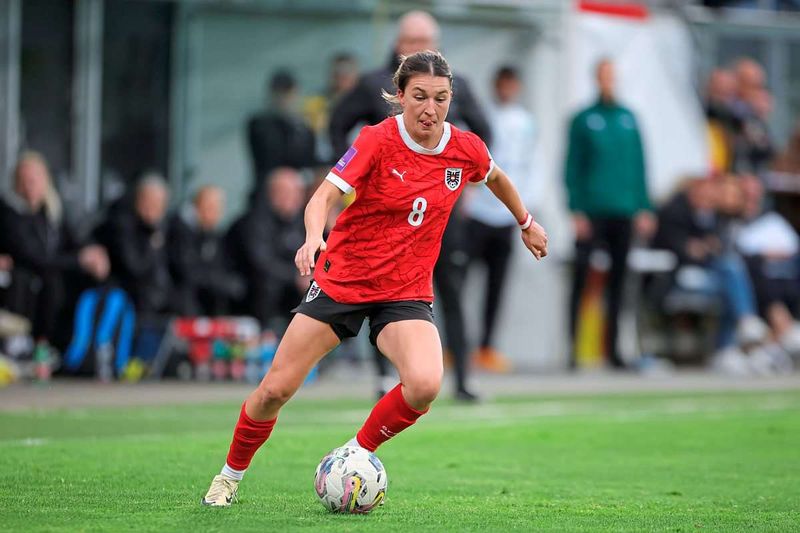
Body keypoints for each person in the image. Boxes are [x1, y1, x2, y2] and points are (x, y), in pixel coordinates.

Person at [200, 50, 548, 507]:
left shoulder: (465, 148)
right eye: (419, 96)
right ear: (400, 96)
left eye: (441, 99)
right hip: (343, 280)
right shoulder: (377, 140)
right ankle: (228, 477)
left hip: (404, 292)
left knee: (424, 384)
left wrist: (525, 222)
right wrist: (311, 238)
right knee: (275, 390)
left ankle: (356, 451)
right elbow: (322, 195)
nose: (430, 109)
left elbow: (496, 177)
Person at [330, 10, 491, 401]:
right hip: (386, 216)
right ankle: (385, 376)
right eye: (412, 42)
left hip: (439, 213)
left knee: (451, 288)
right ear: (398, 44)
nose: (419, 49)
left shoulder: (457, 85)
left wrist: (466, 184)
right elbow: (337, 123)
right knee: (382, 292)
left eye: (426, 42)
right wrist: (351, 177)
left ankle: (463, 377)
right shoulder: (374, 85)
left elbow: (484, 133)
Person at [565, 58, 656, 370]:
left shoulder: (629, 118)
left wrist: (644, 206)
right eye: (603, 76)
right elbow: (571, 167)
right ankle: (573, 350)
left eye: (611, 76)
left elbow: (640, 165)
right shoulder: (583, 119)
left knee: (620, 283)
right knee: (581, 278)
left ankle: (615, 350)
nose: (608, 81)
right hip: (592, 211)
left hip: (623, 211)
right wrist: (575, 208)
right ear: (596, 79)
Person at [464, 66, 538, 372]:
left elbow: (531, 164)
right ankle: (454, 345)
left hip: (505, 215)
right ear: (496, 86)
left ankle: (486, 346)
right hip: (478, 211)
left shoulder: (526, 122)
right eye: (502, 84)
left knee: (497, 286)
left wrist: (526, 210)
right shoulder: (483, 116)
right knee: (460, 281)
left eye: (511, 84)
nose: (507, 89)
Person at [0, 152, 109, 357]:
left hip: (52, 274)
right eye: (23, 181)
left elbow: (75, 240)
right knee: (51, 281)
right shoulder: (10, 213)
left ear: (45, 180)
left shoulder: (52, 211)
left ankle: (85, 349)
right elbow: (33, 257)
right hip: (24, 277)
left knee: (92, 282)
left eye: (34, 180)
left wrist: (93, 254)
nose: (29, 185)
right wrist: (78, 260)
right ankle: (41, 344)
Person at [227, 167, 308, 331]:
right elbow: (261, 263)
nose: (292, 198)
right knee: (268, 284)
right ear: (272, 193)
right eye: (285, 192)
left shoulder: (300, 221)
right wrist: (295, 277)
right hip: (250, 290)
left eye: (296, 192)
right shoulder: (255, 221)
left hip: (289, 288)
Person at [102, 173, 171, 316]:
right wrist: (151, 244)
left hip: (157, 299)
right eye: (150, 202)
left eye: (159, 205)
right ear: (139, 200)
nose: (154, 209)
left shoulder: (160, 227)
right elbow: (134, 267)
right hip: (130, 299)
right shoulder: (123, 225)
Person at [169, 186, 243, 316]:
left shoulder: (213, 235)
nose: (215, 213)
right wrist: (219, 282)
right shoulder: (181, 233)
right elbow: (188, 272)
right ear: (197, 207)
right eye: (210, 207)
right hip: (183, 307)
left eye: (218, 208)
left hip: (206, 305)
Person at [247, 69, 317, 198]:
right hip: (267, 194)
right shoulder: (259, 125)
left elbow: (309, 162)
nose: (284, 100)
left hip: (299, 195)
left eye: (287, 94)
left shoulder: (303, 127)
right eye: (280, 94)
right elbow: (271, 153)